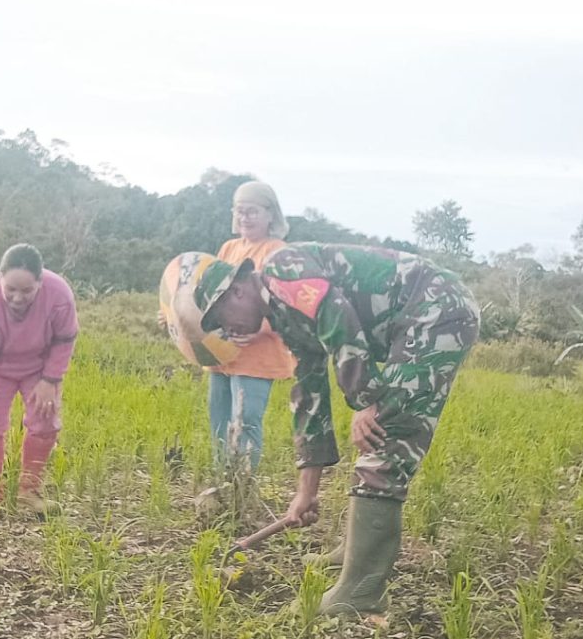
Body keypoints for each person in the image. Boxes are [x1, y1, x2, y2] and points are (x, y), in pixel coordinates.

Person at [194, 242, 479, 617]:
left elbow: (336, 314)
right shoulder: (284, 317)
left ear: (237, 289)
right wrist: (305, 493)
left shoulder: (283, 269)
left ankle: (359, 593)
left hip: (434, 309)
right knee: (374, 433)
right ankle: (355, 553)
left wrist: (364, 400)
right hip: (412, 320)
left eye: (220, 317)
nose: (226, 331)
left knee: (384, 437)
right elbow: (309, 396)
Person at [0, 244, 79, 515]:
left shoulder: (59, 294)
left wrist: (51, 380)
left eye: (27, 290)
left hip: (39, 368)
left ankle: (30, 491)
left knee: (45, 420)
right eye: (10, 290)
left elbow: (65, 340)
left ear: (40, 282)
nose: (17, 297)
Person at [207, 181, 295, 472]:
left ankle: (242, 489)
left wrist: (261, 328)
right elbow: (211, 295)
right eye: (240, 211)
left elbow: (290, 306)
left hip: (257, 356)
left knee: (246, 421)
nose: (245, 217)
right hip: (222, 352)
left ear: (271, 214)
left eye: (253, 211)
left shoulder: (278, 252)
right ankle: (223, 483)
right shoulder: (229, 248)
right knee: (219, 420)